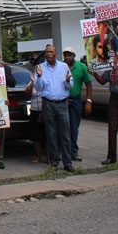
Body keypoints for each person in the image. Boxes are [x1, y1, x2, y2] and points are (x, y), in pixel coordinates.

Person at [34, 45, 75, 173]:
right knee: (51, 134)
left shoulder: (63, 67)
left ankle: (67, 163)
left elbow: (70, 85)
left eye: (51, 52)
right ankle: (54, 162)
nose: (49, 54)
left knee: (65, 134)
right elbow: (39, 88)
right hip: (48, 103)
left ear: (56, 53)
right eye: (47, 52)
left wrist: (68, 81)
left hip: (62, 103)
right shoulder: (40, 67)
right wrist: (39, 77)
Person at [89, 60, 118, 165]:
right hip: (115, 97)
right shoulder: (112, 67)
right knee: (112, 128)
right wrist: (94, 73)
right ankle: (111, 157)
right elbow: (103, 81)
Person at [61, 47, 92, 162]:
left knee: (74, 126)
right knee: (63, 126)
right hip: (63, 99)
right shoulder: (60, 66)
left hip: (76, 100)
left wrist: (89, 101)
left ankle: (74, 150)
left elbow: (88, 84)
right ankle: (62, 150)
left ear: (74, 56)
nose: (67, 57)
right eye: (65, 55)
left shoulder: (81, 67)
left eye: (70, 55)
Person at [24, 72, 46, 164]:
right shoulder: (32, 82)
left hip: (46, 110)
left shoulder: (46, 81)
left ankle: (49, 156)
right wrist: (33, 82)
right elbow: (27, 93)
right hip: (34, 111)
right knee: (36, 135)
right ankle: (37, 156)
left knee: (47, 134)